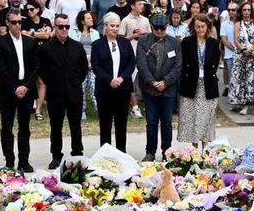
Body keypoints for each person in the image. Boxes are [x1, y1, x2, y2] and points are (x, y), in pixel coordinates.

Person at [37, 13, 89, 169]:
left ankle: (77, 153)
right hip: (55, 93)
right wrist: (53, 83)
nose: (64, 29)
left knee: (76, 126)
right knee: (56, 127)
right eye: (61, 27)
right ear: (55, 27)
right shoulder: (46, 49)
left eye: (67, 26)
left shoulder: (77, 46)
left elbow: (83, 69)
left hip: (74, 93)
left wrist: (74, 82)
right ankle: (56, 156)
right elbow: (43, 71)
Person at [0, 8, 38, 172]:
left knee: (24, 127)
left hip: (27, 89)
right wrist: (14, 88)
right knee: (7, 127)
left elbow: (35, 67)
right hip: (8, 90)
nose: (17, 25)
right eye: (14, 22)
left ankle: (24, 160)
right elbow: (0, 68)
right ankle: (10, 160)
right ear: (7, 23)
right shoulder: (0, 42)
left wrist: (26, 86)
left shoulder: (30, 42)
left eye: (19, 22)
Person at [136, 13, 181, 160]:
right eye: (156, 28)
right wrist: (152, 82)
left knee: (167, 123)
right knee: (151, 122)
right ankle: (150, 152)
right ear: (152, 27)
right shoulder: (143, 41)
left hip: (168, 89)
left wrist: (166, 82)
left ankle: (167, 152)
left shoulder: (174, 42)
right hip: (150, 88)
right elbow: (141, 64)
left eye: (162, 28)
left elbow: (177, 66)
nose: (160, 31)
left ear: (166, 27)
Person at [90, 13, 135, 151]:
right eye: (112, 26)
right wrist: (109, 80)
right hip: (104, 89)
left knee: (121, 124)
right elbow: (96, 65)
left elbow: (131, 63)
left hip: (123, 89)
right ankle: (106, 154)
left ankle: (122, 152)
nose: (115, 29)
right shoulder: (97, 44)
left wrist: (121, 78)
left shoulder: (125, 43)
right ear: (105, 26)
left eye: (117, 26)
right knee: (105, 124)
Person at [178, 13, 221, 149]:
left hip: (208, 84)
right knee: (191, 117)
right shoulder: (187, 42)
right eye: (197, 27)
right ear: (193, 27)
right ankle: (194, 150)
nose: (200, 29)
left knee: (206, 118)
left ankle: (205, 149)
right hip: (191, 84)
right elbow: (183, 63)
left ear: (208, 27)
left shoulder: (214, 43)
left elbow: (215, 61)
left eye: (203, 26)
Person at [228, 1, 254, 115]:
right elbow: (236, 39)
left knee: (252, 80)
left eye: (248, 10)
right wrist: (243, 50)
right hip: (240, 55)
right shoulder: (237, 23)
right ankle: (243, 104)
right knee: (241, 80)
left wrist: (250, 50)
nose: (246, 12)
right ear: (241, 12)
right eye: (244, 10)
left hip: (253, 55)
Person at [71, 10, 100, 120]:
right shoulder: (74, 32)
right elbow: (74, 49)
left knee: (94, 88)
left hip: (93, 64)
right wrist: (85, 61)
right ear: (82, 21)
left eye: (91, 18)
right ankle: (82, 110)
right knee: (81, 88)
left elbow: (97, 49)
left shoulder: (95, 33)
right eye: (88, 18)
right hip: (79, 64)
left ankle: (99, 110)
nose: (91, 19)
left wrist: (91, 61)